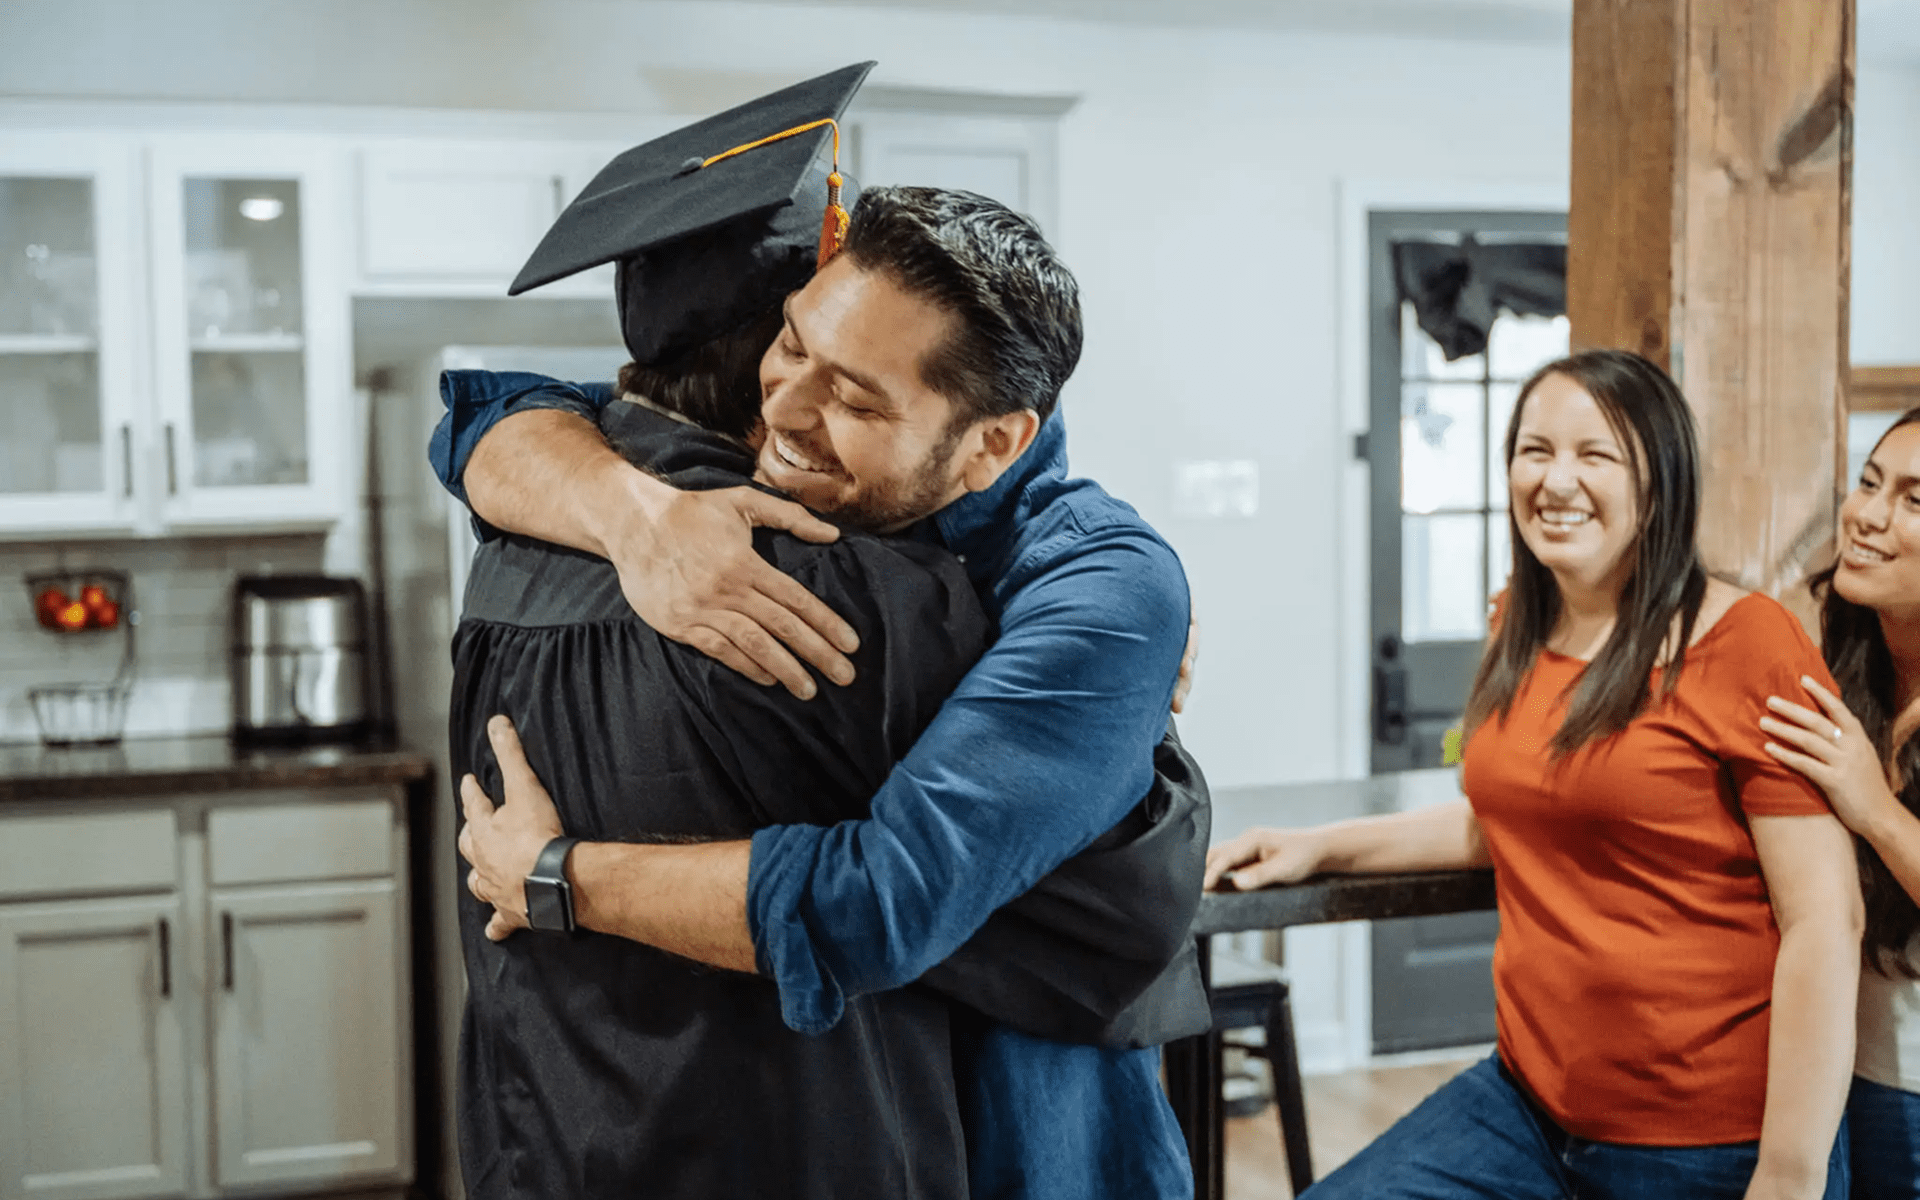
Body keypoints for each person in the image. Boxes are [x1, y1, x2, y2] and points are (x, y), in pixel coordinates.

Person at [443, 93, 1204, 1200]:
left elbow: (882, 904)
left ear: (992, 443)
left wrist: (554, 874)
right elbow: (479, 419)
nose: (781, 413)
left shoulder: (1093, 596)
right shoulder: (747, 514)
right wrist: (630, 513)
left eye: (851, 396)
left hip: (1048, 1147)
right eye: (789, 343)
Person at [1206, 349, 1859, 1199]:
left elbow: (1825, 918)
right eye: (1534, 450)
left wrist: (1792, 1172)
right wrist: (1321, 848)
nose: (1555, 480)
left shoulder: (1748, 642)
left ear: (1660, 480)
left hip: (1710, 1136)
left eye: (1597, 456)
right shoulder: (1519, 620)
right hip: (1528, 1105)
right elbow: (1509, 816)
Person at [1756, 407, 1920, 1200]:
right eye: (1869, 483)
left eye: (1916, 501)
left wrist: (1874, 807)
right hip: (1825, 1060)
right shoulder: (1827, 642)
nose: (1869, 516)